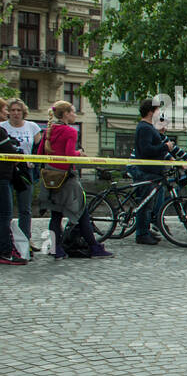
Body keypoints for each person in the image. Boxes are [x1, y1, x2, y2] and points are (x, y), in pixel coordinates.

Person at [37, 101, 111, 260]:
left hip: (50, 177)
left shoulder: (49, 130)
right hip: (66, 178)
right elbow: (69, 154)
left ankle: (56, 249)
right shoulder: (70, 131)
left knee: (56, 215)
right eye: (73, 112)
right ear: (65, 114)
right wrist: (80, 154)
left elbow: (39, 152)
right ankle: (94, 247)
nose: (75, 114)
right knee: (82, 211)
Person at [2, 98, 40, 260]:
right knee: (7, 210)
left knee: (25, 208)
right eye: (12, 110)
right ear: (8, 112)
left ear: (23, 112)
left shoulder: (32, 126)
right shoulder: (2, 127)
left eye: (18, 110)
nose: (15, 113)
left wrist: (35, 161)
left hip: (25, 171)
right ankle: (9, 242)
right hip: (7, 171)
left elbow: (40, 147)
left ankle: (26, 240)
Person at [132, 98, 174, 245]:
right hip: (147, 171)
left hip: (153, 171)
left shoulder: (148, 127)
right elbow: (147, 150)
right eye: (157, 110)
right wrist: (165, 147)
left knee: (149, 204)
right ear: (151, 112)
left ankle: (145, 230)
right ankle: (141, 234)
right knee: (146, 204)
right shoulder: (145, 128)